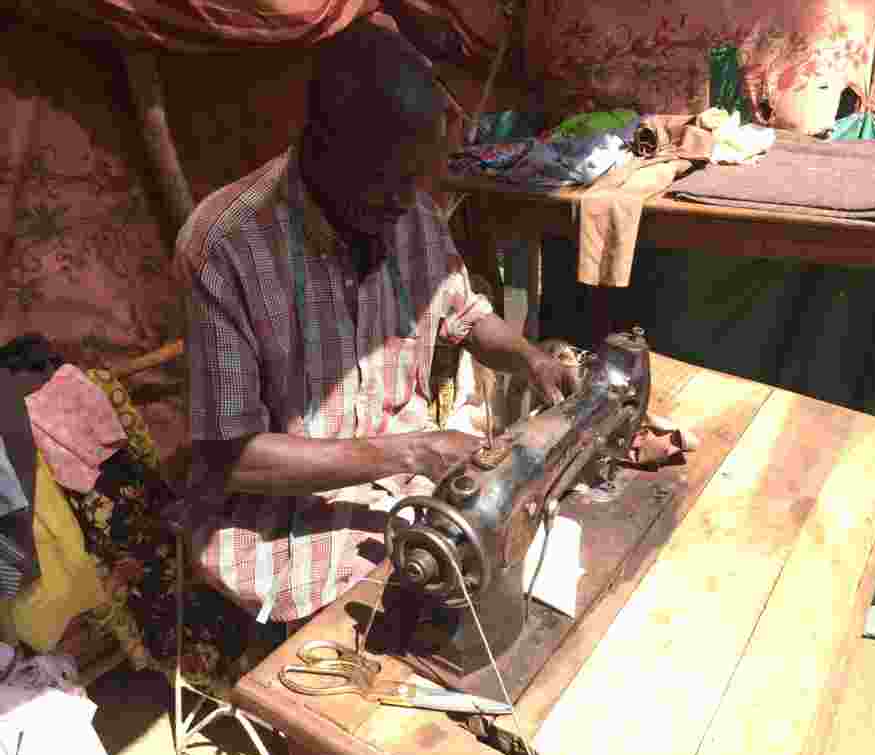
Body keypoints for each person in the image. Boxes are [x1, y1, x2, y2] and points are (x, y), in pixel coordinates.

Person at [174, 13, 576, 625]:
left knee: (526, 577)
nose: (405, 201)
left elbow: (465, 317)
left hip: (405, 489)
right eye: (386, 181)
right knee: (421, 635)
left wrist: (531, 358)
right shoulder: (227, 246)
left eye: (415, 177)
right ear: (322, 143)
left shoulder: (404, 205)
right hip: (280, 527)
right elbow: (231, 458)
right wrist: (413, 451)